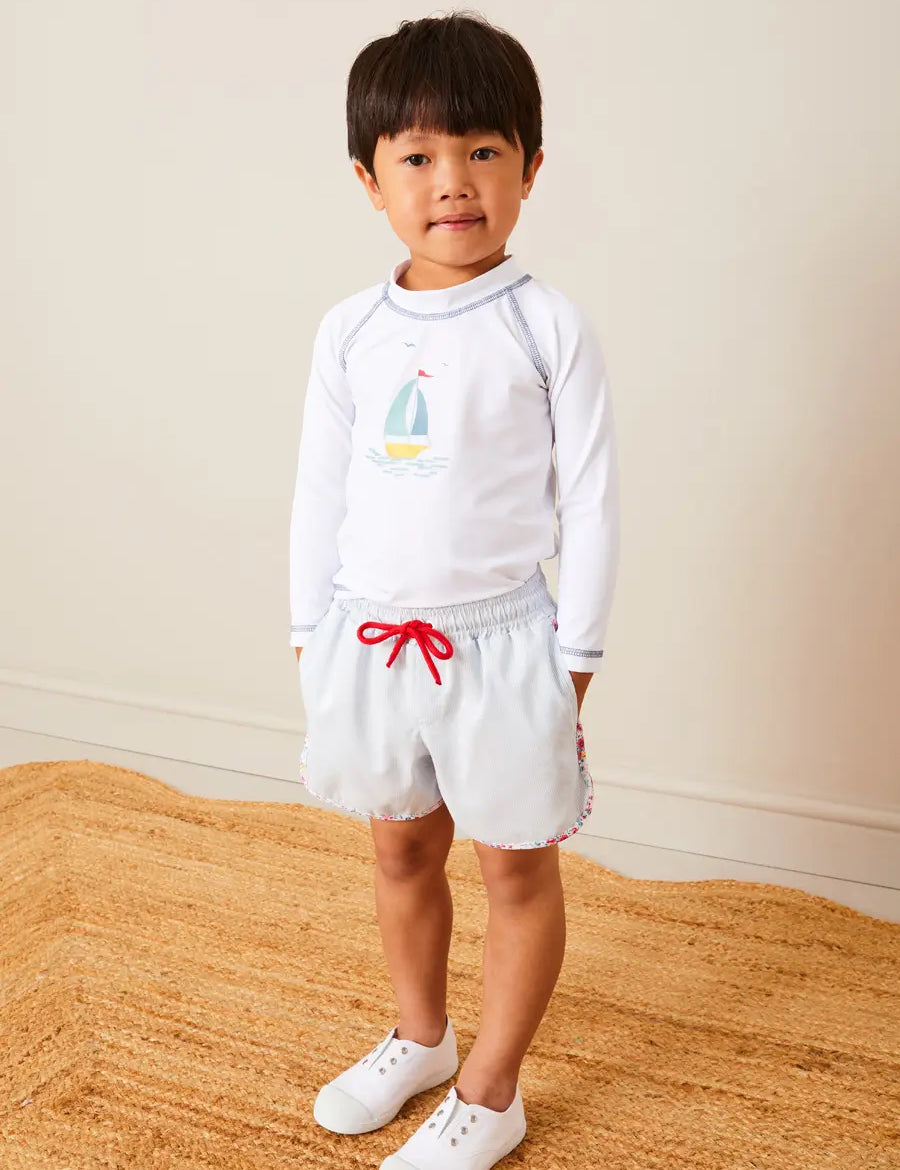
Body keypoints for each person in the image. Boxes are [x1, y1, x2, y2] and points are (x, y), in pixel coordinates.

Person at [289, 12, 620, 1169]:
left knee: (514, 865)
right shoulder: (350, 331)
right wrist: (310, 633)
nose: (453, 182)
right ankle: (422, 1037)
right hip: (373, 640)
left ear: (531, 166)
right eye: (418, 156)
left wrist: (575, 660)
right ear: (369, 179)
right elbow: (319, 490)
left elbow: (593, 499)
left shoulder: (546, 326)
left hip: (507, 645)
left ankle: (492, 1088)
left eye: (483, 150)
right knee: (399, 851)